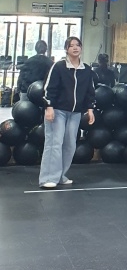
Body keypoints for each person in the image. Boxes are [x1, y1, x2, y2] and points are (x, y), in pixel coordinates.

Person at [39, 37, 95, 189]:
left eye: (78, 45)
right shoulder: (59, 67)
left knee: (70, 145)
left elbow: (90, 91)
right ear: (66, 49)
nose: (75, 48)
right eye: (71, 46)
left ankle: (60, 176)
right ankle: (48, 178)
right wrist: (49, 107)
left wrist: (90, 110)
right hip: (57, 111)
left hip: (75, 113)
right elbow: (49, 88)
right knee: (54, 143)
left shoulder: (86, 69)